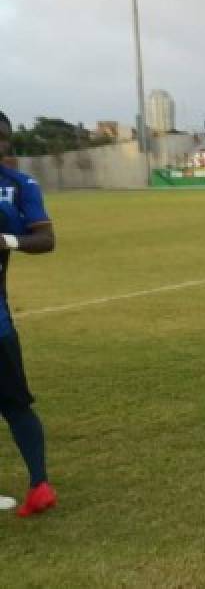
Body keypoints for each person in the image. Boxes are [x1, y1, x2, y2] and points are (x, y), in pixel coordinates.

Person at [0, 110, 58, 517]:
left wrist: (5, 239)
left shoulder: (18, 186)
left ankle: (39, 483)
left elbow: (45, 238)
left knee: (16, 404)